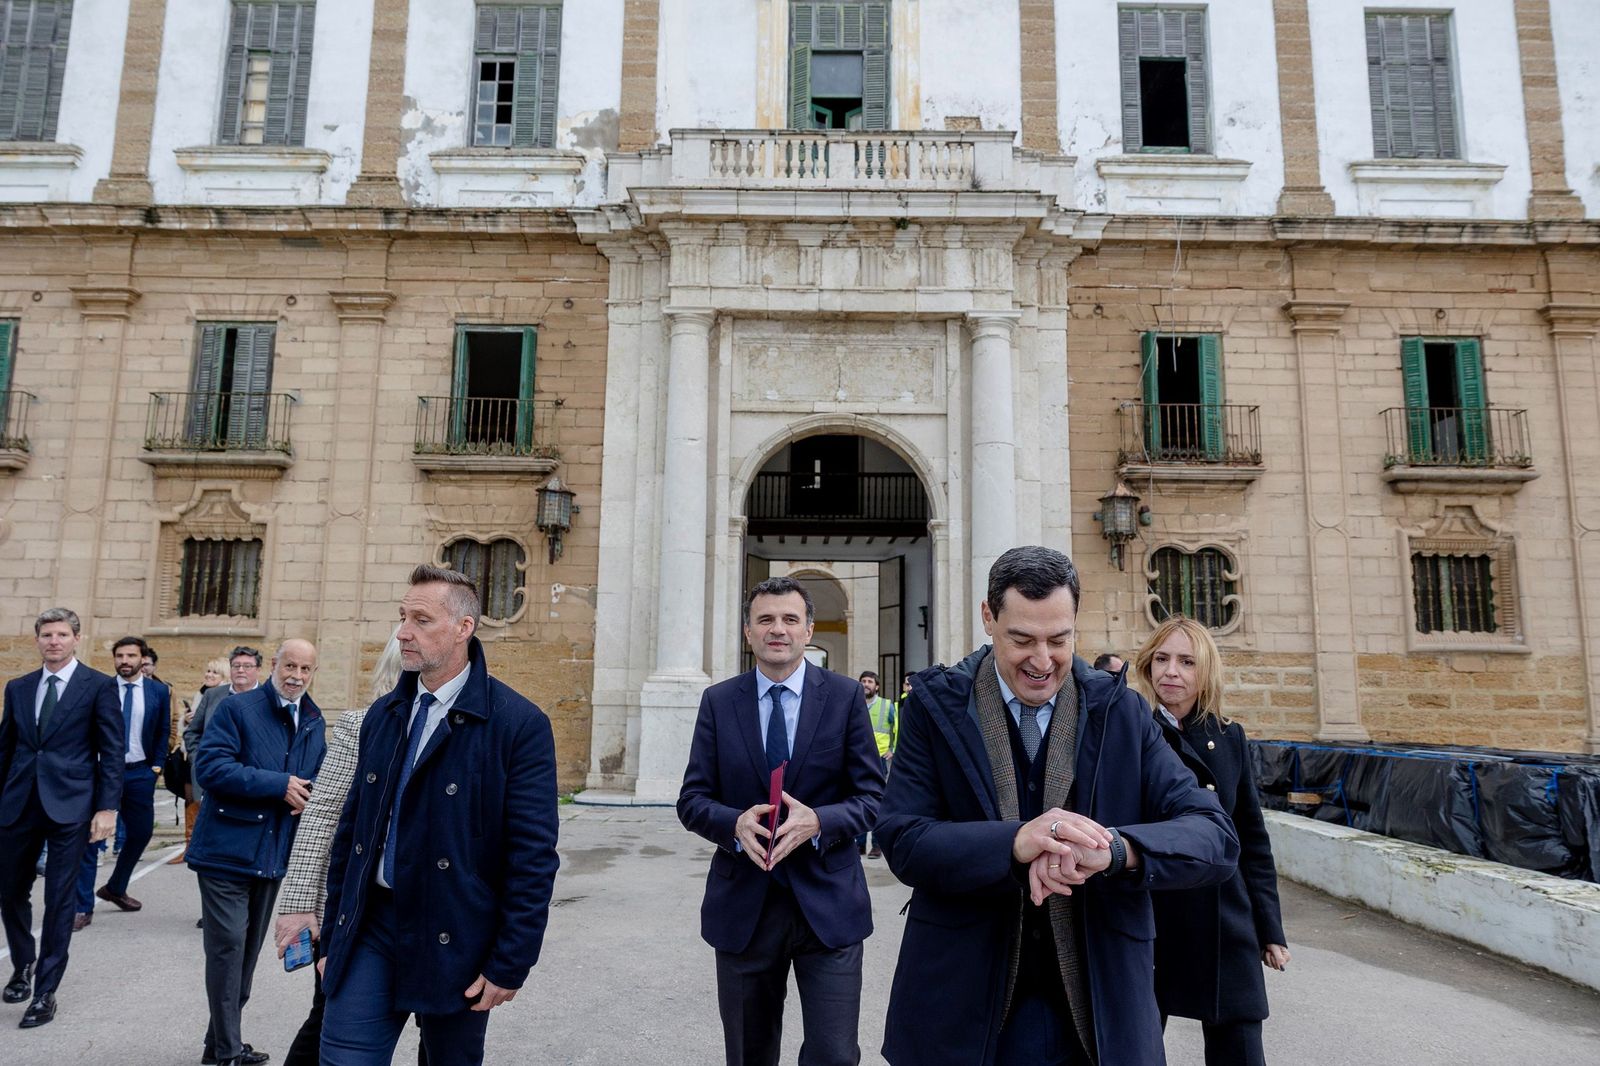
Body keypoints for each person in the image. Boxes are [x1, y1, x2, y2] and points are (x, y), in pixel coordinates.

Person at [876, 546, 1239, 1066]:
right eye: (1021, 639)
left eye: (1059, 640)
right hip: (961, 1002)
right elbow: (903, 839)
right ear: (987, 616)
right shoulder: (933, 710)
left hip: (1099, 1006)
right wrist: (1014, 842)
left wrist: (1118, 850)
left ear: (1075, 623)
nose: (1042, 661)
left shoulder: (1123, 712)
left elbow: (1215, 835)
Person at [317, 565, 559, 1066]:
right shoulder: (382, 717)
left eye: (421, 619)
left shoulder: (518, 725)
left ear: (463, 629)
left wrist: (511, 961)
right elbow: (352, 835)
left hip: (457, 933)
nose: (403, 632)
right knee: (342, 1057)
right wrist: (334, 933)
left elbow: (532, 856)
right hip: (372, 926)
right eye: (403, 617)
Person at [678, 576, 884, 1066]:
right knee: (749, 1053)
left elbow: (874, 796)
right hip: (744, 908)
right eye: (765, 619)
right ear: (747, 632)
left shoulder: (843, 697)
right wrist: (733, 823)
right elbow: (692, 799)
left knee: (834, 1055)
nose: (778, 630)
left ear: (808, 630)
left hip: (828, 906)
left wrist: (821, 821)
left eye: (790, 619)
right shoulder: (718, 701)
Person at [1133, 616, 1289, 1066]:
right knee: (1136, 1041)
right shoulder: (1131, 730)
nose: (1171, 672)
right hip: (1155, 910)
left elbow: (1252, 840)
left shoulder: (1229, 735)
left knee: (1239, 1042)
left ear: (1205, 671)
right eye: (1161, 659)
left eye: (1186, 661)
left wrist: (1269, 929)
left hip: (1224, 915)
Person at [274, 630, 414, 1066]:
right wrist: (298, 906)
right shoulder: (360, 725)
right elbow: (320, 819)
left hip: (427, 913)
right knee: (327, 1019)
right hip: (356, 911)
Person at [188, 639, 326, 1066]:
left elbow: (313, 776)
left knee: (244, 961)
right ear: (273, 664)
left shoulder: (314, 718)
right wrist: (278, 784)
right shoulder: (237, 709)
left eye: (305, 669)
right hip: (225, 853)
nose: (296, 676)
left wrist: (310, 796)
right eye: (289, 666)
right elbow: (210, 769)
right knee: (228, 950)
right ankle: (227, 1053)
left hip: (270, 857)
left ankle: (217, 1047)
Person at [0, 608, 122, 1029]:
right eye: (46, 634)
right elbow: (8, 747)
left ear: (76, 639)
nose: (54, 641)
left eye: (62, 634)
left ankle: (46, 992)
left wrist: (107, 808)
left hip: (72, 807)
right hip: (19, 803)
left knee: (59, 899)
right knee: (9, 889)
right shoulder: (18, 688)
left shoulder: (99, 686)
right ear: (37, 640)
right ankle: (23, 964)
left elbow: (112, 751)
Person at [75, 636, 170, 924]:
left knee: (141, 833)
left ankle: (115, 887)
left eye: (131, 656)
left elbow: (163, 730)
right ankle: (82, 906)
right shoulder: (99, 689)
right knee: (93, 836)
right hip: (102, 773)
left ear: (143, 659)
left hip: (140, 772)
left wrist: (156, 766)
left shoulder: (158, 691)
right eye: (119, 656)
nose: (124, 661)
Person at [173, 657, 230, 866]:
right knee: (191, 801)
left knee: (209, 802)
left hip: (211, 760)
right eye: (208, 671)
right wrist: (186, 721)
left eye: (214, 672)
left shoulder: (224, 697)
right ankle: (190, 847)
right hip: (192, 757)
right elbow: (191, 730)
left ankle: (210, 848)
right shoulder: (201, 693)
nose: (209, 675)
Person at [857, 670, 897, 857]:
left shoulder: (887, 705)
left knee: (878, 801)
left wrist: (893, 749)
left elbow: (898, 729)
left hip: (880, 759)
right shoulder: (854, 702)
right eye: (863, 681)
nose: (866, 684)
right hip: (857, 758)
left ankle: (877, 845)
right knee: (857, 800)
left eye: (870, 681)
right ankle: (859, 843)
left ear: (877, 686)